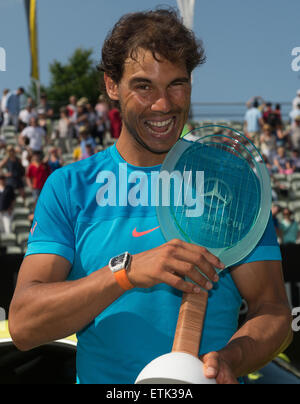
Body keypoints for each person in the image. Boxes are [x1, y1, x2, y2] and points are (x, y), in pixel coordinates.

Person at [8, 9, 292, 385]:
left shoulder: (234, 182)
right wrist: (124, 273)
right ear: (112, 86)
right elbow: (25, 325)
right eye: (143, 86)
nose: (163, 105)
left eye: (177, 84)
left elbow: (272, 310)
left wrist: (229, 360)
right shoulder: (69, 186)